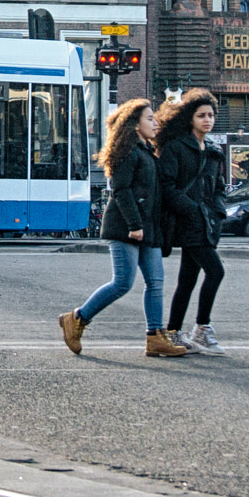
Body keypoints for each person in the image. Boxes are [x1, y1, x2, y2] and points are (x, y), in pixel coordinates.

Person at [59, 100, 187, 358]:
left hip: (148, 230)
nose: (155, 123)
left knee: (156, 283)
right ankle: (77, 318)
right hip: (126, 228)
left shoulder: (148, 151)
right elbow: (121, 190)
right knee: (122, 283)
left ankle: (155, 337)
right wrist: (135, 225)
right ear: (135, 124)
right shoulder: (128, 151)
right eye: (150, 118)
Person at [156, 88, 227, 356]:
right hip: (187, 222)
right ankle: (202, 329)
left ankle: (174, 331)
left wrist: (218, 211)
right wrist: (192, 209)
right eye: (201, 116)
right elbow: (167, 185)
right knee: (216, 271)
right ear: (190, 118)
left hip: (208, 222)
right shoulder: (176, 147)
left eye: (210, 115)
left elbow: (219, 186)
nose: (207, 120)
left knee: (187, 278)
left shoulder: (213, 151)